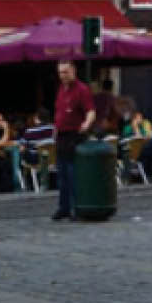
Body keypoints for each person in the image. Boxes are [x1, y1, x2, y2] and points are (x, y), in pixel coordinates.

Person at [52, 61, 96, 220]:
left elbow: (91, 111)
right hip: (62, 136)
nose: (62, 76)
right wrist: (55, 130)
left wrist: (86, 123)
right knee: (62, 174)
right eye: (60, 73)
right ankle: (63, 207)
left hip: (74, 135)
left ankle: (75, 208)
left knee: (73, 174)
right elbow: (59, 112)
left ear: (73, 71)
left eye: (65, 72)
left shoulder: (82, 90)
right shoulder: (61, 89)